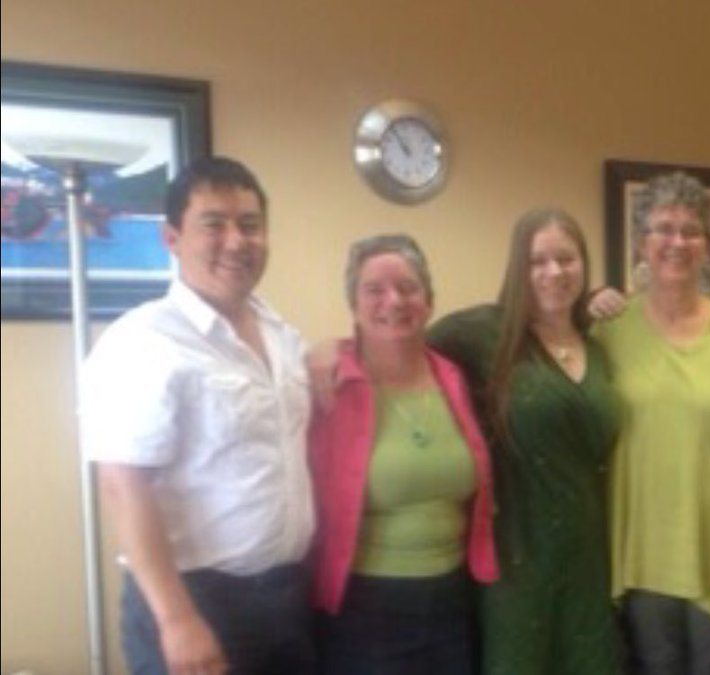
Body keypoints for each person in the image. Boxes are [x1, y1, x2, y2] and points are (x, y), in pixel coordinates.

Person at [81, 156, 316, 674]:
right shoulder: (144, 342)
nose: (236, 241)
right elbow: (122, 486)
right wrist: (177, 620)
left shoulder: (283, 335)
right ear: (172, 238)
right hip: (195, 600)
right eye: (214, 225)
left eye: (250, 225)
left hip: (286, 598)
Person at [594, 171, 710, 675]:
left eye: (691, 230)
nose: (677, 242)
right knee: (656, 665)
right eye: (663, 228)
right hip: (642, 549)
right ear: (641, 241)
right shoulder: (610, 330)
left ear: (708, 246)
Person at [427, 208, 622, 675]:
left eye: (566, 259)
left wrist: (602, 299)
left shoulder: (599, 342)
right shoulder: (484, 333)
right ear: (518, 268)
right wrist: (336, 353)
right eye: (538, 261)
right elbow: (401, 341)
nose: (554, 272)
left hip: (589, 556)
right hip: (516, 555)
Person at [308, 234, 499, 673]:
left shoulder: (455, 376)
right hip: (367, 607)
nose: (394, 301)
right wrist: (322, 348)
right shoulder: (328, 385)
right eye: (374, 289)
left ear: (428, 301)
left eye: (408, 288)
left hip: (454, 599)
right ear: (354, 304)